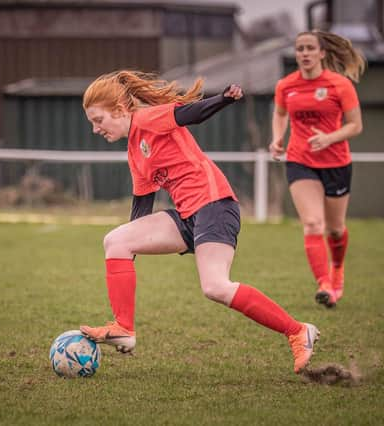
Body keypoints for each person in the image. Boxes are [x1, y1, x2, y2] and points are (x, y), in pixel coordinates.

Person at [79, 70, 319, 374]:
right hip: (187, 216)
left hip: (215, 205)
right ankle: (123, 327)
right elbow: (141, 208)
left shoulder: (147, 118)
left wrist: (223, 99)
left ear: (119, 110)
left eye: (98, 120)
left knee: (216, 287)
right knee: (117, 240)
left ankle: (298, 331)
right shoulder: (135, 152)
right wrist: (132, 253)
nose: (95, 129)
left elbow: (188, 114)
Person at [269, 30, 364, 308]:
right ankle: (324, 285)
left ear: (322, 53)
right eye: (300, 49)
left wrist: (328, 138)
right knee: (312, 224)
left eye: (310, 48)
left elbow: (356, 126)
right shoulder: (286, 85)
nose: (305, 53)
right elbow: (280, 113)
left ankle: (337, 272)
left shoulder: (340, 85)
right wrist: (277, 138)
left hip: (337, 163)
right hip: (300, 160)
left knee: (335, 230)